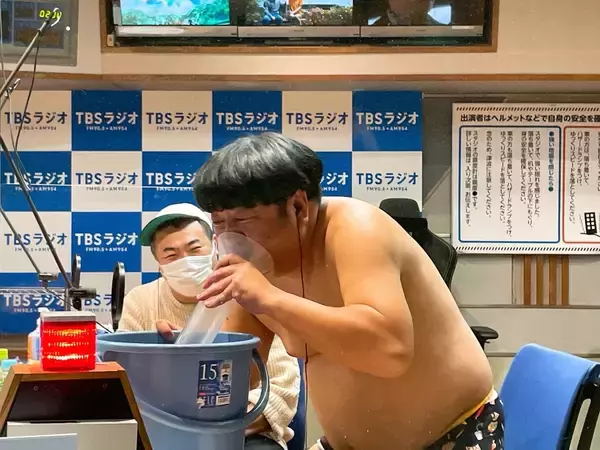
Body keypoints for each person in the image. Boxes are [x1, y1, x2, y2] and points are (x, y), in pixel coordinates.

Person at [159, 132, 504, 450]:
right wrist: (183, 360)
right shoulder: (250, 267)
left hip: (454, 435)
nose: (229, 237)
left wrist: (270, 298)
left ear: (297, 206)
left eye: (242, 220)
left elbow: (390, 349)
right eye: (218, 223)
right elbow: (239, 376)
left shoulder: (356, 228)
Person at [118, 203, 300, 450]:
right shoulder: (141, 301)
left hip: (245, 432)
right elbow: (127, 388)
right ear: (158, 262)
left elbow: (282, 388)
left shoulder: (249, 292)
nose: (185, 260)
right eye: (171, 255)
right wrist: (160, 355)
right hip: (165, 433)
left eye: (195, 249)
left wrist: (217, 427)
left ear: (215, 245)